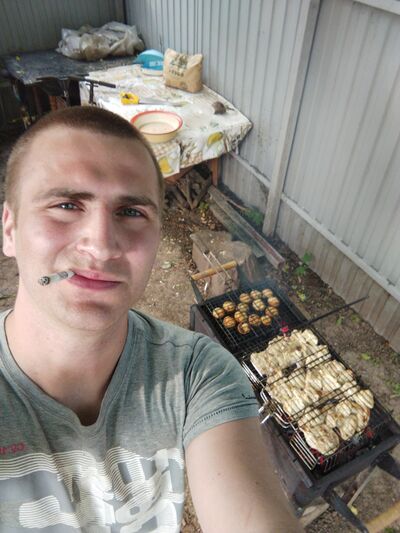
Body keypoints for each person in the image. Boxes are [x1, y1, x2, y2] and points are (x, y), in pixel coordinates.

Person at [0, 106, 301, 532]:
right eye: (66, 205)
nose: (101, 246)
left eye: (131, 213)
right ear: (9, 229)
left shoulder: (197, 375)